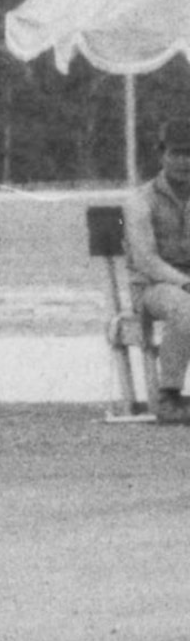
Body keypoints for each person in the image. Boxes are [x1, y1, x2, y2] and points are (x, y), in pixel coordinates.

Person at [124, 118, 190, 422]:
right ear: (162, 154)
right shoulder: (141, 200)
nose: (183, 161)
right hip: (153, 288)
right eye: (176, 153)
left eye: (189, 153)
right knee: (184, 305)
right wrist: (184, 282)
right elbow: (146, 260)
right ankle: (169, 396)